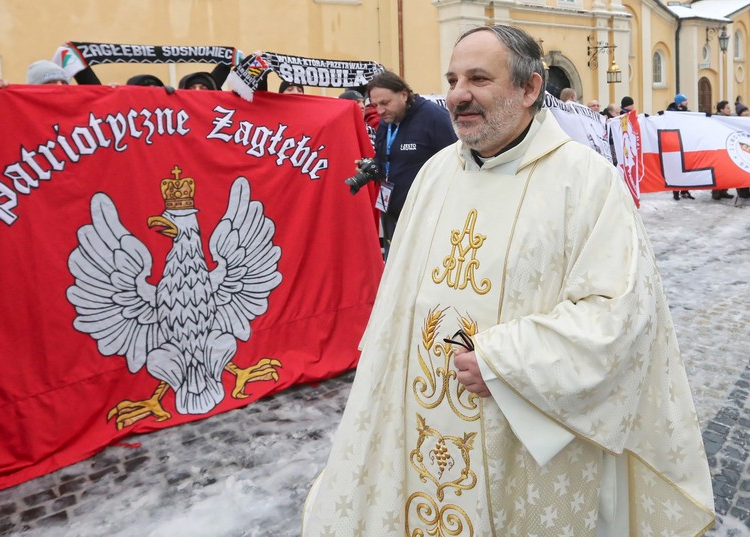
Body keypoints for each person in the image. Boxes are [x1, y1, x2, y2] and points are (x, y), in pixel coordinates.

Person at [302, 24, 714, 537]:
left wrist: (505, 362)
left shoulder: (585, 182)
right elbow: (397, 301)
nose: (458, 94)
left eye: (478, 78)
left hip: (522, 441)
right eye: (452, 79)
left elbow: (619, 314)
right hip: (422, 432)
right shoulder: (435, 176)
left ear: (529, 89)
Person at [366, 70, 456, 257]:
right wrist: (372, 167)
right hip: (390, 209)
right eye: (375, 105)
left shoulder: (434, 117)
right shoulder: (387, 121)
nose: (380, 110)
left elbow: (455, 162)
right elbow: (384, 158)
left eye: (385, 103)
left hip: (423, 216)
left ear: (404, 95)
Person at [667, 93, 694, 200]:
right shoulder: (671, 112)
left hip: (685, 143)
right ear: (679, 102)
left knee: (686, 168)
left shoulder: (686, 112)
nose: (687, 102)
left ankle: (685, 191)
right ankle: (675, 192)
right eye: (684, 100)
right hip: (675, 144)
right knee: (677, 169)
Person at [712, 100, 735, 200]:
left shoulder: (731, 120)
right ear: (721, 110)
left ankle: (724, 190)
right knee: (719, 172)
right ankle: (716, 192)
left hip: (728, 148)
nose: (730, 110)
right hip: (718, 149)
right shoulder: (715, 119)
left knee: (728, 171)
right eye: (727, 108)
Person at [737, 104, 750, 199]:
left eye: (747, 110)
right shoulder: (735, 122)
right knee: (741, 169)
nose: (746, 113)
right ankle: (742, 191)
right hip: (741, 149)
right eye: (744, 111)